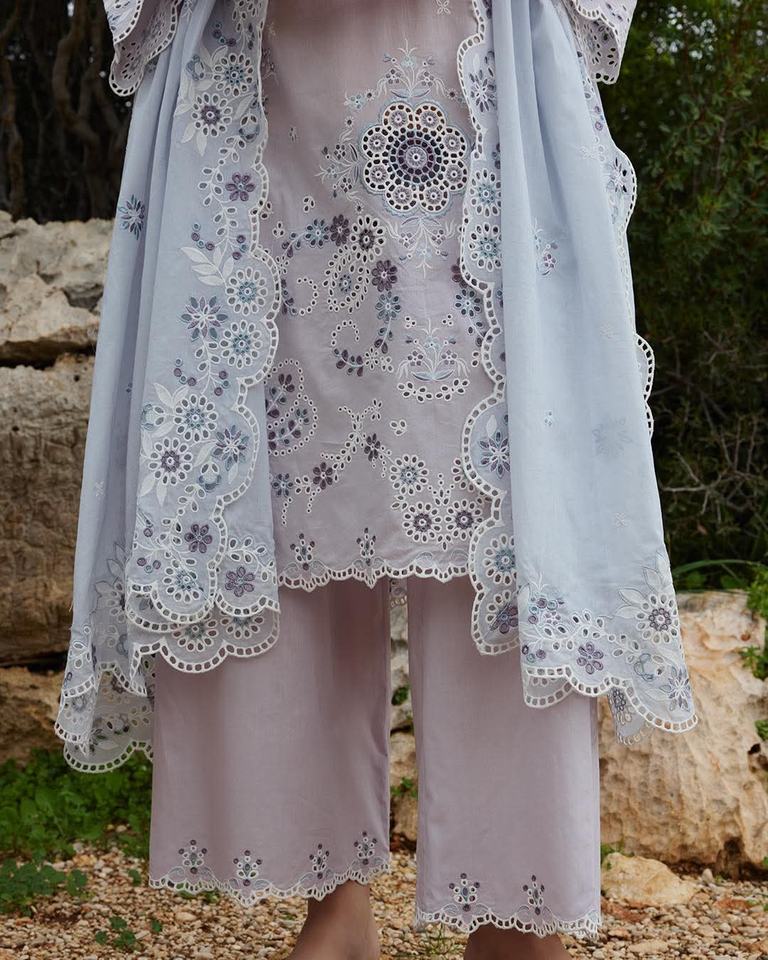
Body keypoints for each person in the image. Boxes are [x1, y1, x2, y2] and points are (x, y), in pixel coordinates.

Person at [56, 1, 697, 957]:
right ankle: (333, 906)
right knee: (281, 487)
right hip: (269, 78)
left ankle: (518, 916)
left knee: (499, 502)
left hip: (474, 67)